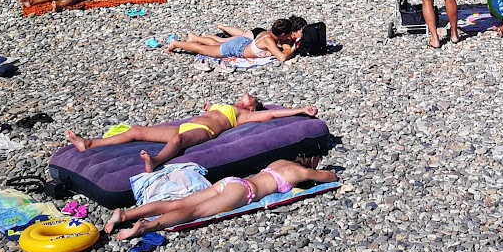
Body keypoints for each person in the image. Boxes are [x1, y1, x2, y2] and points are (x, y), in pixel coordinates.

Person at [104, 159, 339, 240]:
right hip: (244, 192)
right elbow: (330, 177)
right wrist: (311, 173)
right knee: (195, 211)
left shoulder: (280, 162)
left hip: (232, 181)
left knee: (181, 203)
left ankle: (124, 214)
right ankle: (147, 225)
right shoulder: (297, 172)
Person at [65, 88, 316, 161]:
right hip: (187, 125)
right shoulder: (226, 105)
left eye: (252, 97)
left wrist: (301, 109)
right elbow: (211, 110)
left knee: (178, 141)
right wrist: (209, 108)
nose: (248, 93)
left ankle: (156, 161)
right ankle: (89, 144)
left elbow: (271, 116)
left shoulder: (244, 116)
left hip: (203, 132)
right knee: (136, 131)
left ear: (252, 107)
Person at [163, 18, 309, 68]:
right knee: (204, 50)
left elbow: (279, 50)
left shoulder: (268, 34)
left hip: (243, 43)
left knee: (214, 44)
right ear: (283, 35)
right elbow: (282, 57)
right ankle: (177, 43)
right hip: (237, 48)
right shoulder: (269, 40)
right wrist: (293, 49)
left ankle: (191, 38)